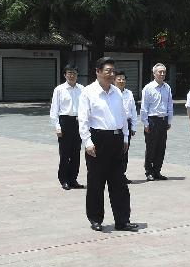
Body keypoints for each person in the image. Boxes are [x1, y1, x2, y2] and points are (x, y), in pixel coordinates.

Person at [78, 57, 139, 233]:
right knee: (96, 183)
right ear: (98, 71)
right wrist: (87, 142)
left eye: (113, 71)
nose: (112, 74)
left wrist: (126, 137)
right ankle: (96, 219)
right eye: (108, 71)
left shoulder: (117, 93)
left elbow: (123, 116)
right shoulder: (88, 92)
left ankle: (122, 221)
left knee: (119, 183)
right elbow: (83, 119)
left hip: (117, 139)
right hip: (98, 140)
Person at [49, 64, 84, 190]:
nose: (71, 75)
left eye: (74, 72)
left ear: (77, 74)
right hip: (65, 122)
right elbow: (54, 110)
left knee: (76, 154)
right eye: (69, 73)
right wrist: (57, 127)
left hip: (78, 123)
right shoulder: (59, 89)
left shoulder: (82, 89)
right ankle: (63, 179)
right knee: (65, 154)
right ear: (65, 75)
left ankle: (73, 179)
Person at [140, 63, 173, 181]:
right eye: (160, 72)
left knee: (161, 147)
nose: (162, 74)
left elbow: (170, 104)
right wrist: (145, 123)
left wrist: (169, 120)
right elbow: (144, 107)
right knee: (151, 147)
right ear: (154, 73)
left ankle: (157, 171)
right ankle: (149, 171)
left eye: (164, 72)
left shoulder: (167, 87)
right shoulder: (148, 88)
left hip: (163, 120)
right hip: (152, 120)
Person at [114, 71, 137, 184]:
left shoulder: (129, 93)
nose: (121, 81)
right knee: (114, 151)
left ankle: (122, 175)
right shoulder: (111, 92)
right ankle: (114, 175)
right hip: (115, 124)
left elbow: (133, 110)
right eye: (119, 79)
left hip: (127, 123)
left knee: (125, 150)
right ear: (114, 80)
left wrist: (134, 126)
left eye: (123, 79)